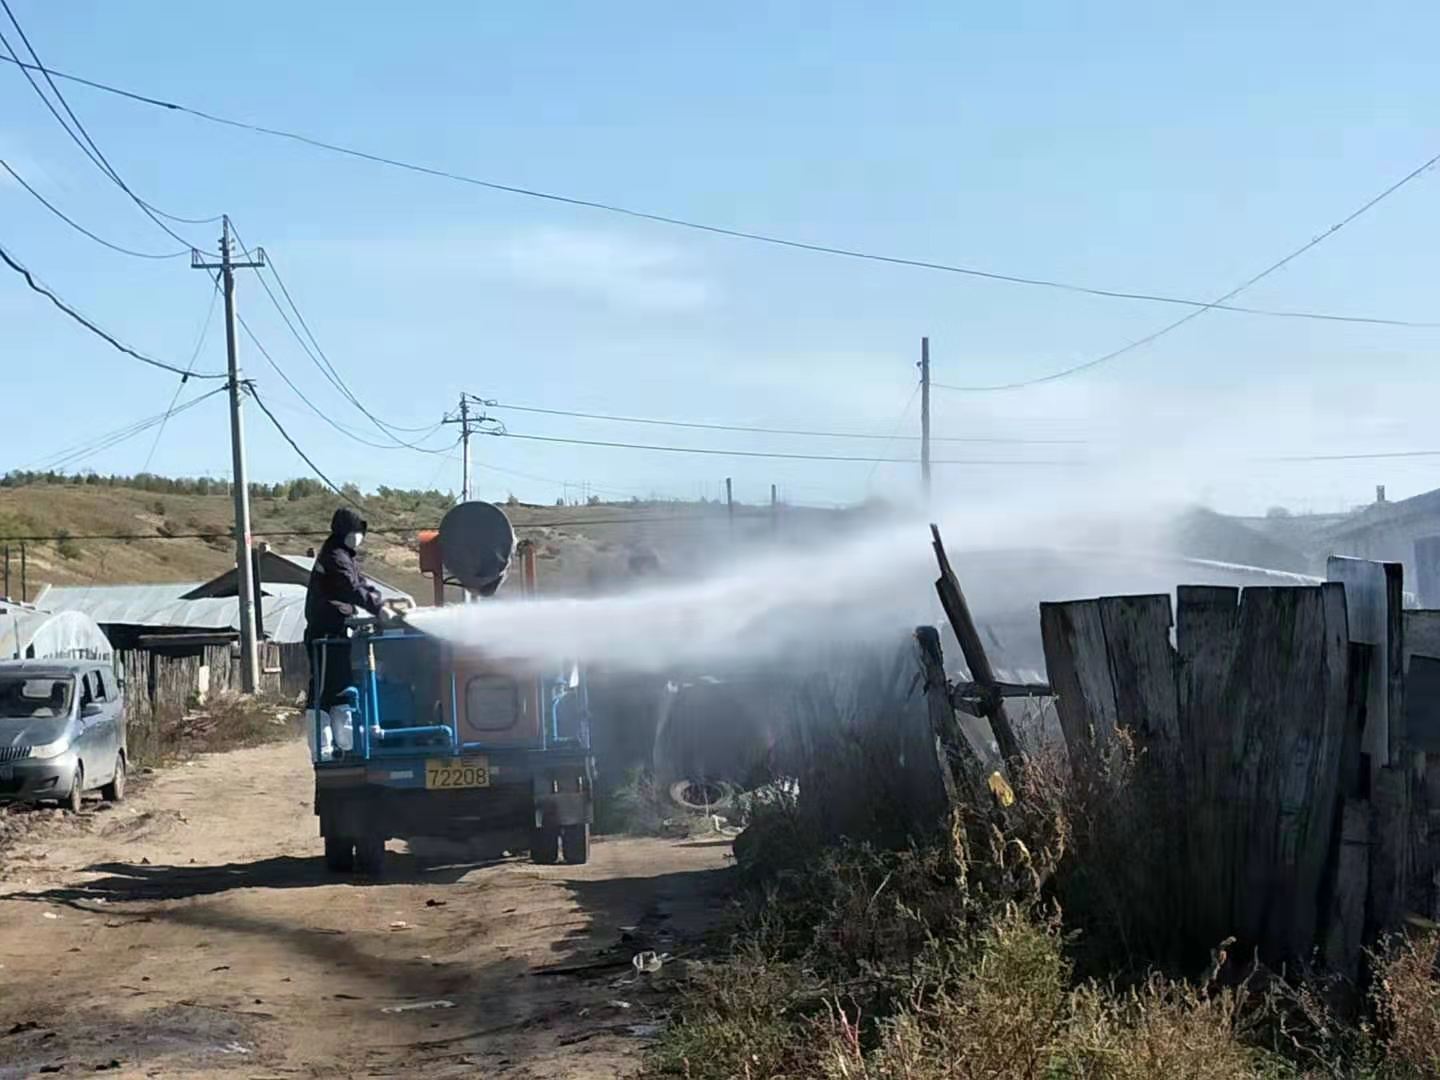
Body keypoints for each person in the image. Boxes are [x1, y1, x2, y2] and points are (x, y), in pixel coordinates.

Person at [304, 507, 384, 713]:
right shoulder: (335, 556)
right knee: (323, 692)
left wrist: (382, 601)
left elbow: (360, 583)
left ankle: (344, 742)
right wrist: (379, 608)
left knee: (341, 690)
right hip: (325, 632)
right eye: (356, 532)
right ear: (346, 532)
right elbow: (351, 587)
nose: (360, 537)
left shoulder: (345, 556)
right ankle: (321, 740)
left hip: (337, 631)